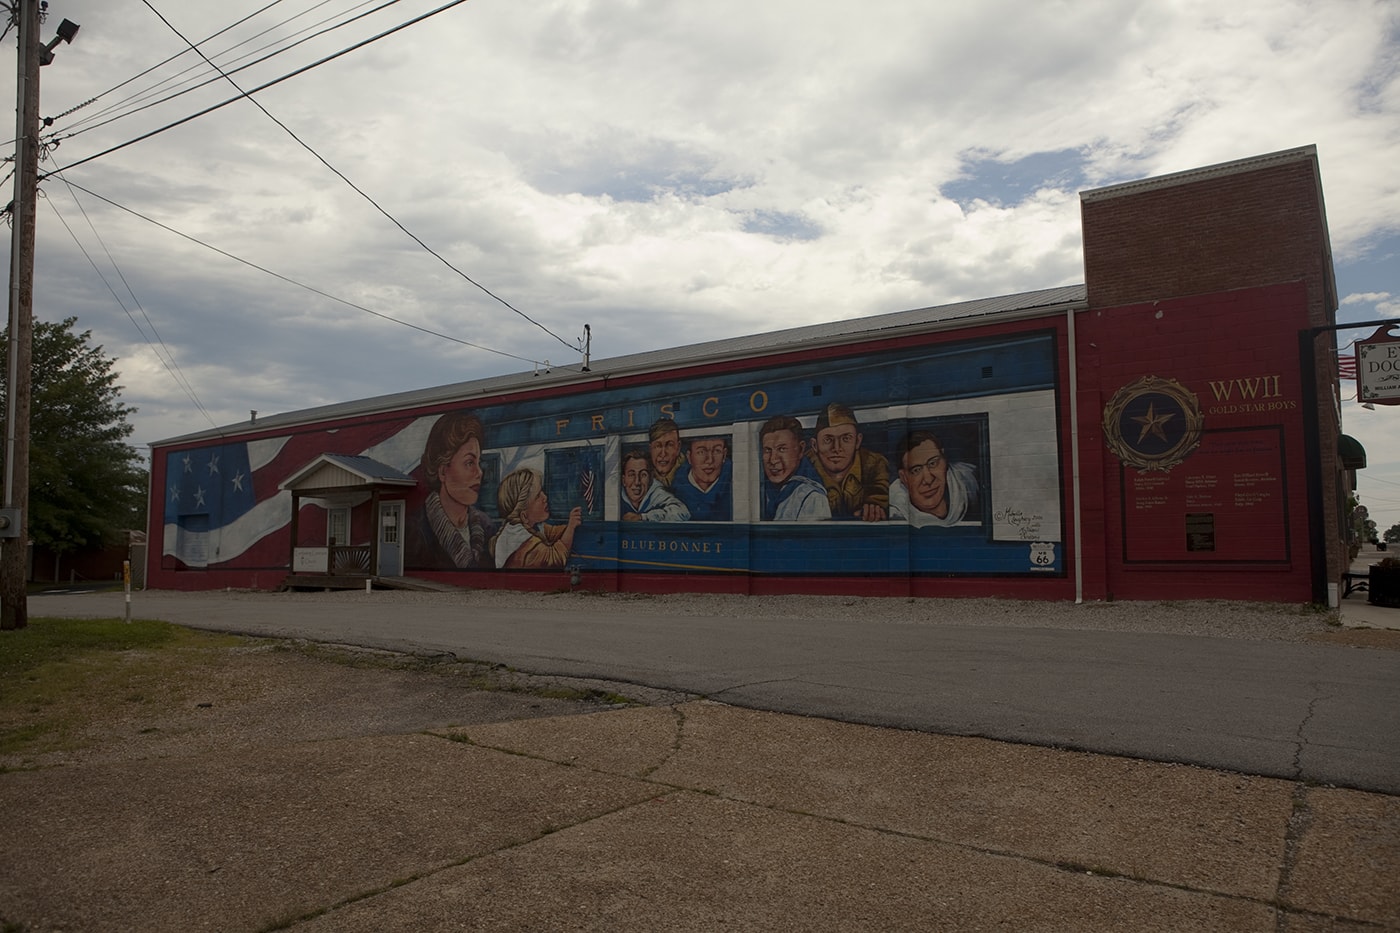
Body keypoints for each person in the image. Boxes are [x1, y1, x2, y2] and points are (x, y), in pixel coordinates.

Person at [411, 410, 495, 568]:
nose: (479, 472)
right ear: (443, 471)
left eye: (479, 462)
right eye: (469, 462)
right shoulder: (417, 531)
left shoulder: (487, 527)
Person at [807, 403, 889, 521]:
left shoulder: (875, 463)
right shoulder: (803, 465)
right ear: (814, 445)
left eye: (846, 438)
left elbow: (881, 487)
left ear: (857, 441)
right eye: (828, 440)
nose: (836, 448)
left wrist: (874, 503)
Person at [491, 468, 582, 568]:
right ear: (524, 516)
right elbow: (556, 558)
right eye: (538, 496)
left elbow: (552, 532)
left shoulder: (530, 526)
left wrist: (569, 525)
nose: (545, 497)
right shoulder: (525, 546)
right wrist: (571, 527)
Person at [889, 430, 980, 527]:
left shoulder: (968, 477)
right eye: (916, 470)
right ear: (903, 478)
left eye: (933, 463)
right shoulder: (894, 512)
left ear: (945, 460)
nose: (928, 480)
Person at [758, 415, 830, 521]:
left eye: (782, 449)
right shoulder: (762, 490)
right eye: (768, 450)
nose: (773, 460)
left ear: (800, 450)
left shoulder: (812, 498)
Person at [672, 435, 733, 521]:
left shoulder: (737, 484)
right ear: (689, 457)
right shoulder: (673, 490)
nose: (709, 460)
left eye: (716, 451)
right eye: (701, 452)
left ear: (724, 455)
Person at [620, 448, 690, 522]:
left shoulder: (657, 493)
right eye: (631, 475)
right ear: (623, 480)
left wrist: (644, 517)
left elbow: (683, 513)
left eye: (643, 475)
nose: (637, 482)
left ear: (650, 478)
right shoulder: (614, 496)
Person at [648, 418, 686, 488]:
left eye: (669, 445)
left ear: (678, 447)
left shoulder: (691, 475)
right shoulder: (643, 480)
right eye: (658, 446)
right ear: (650, 449)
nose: (663, 454)